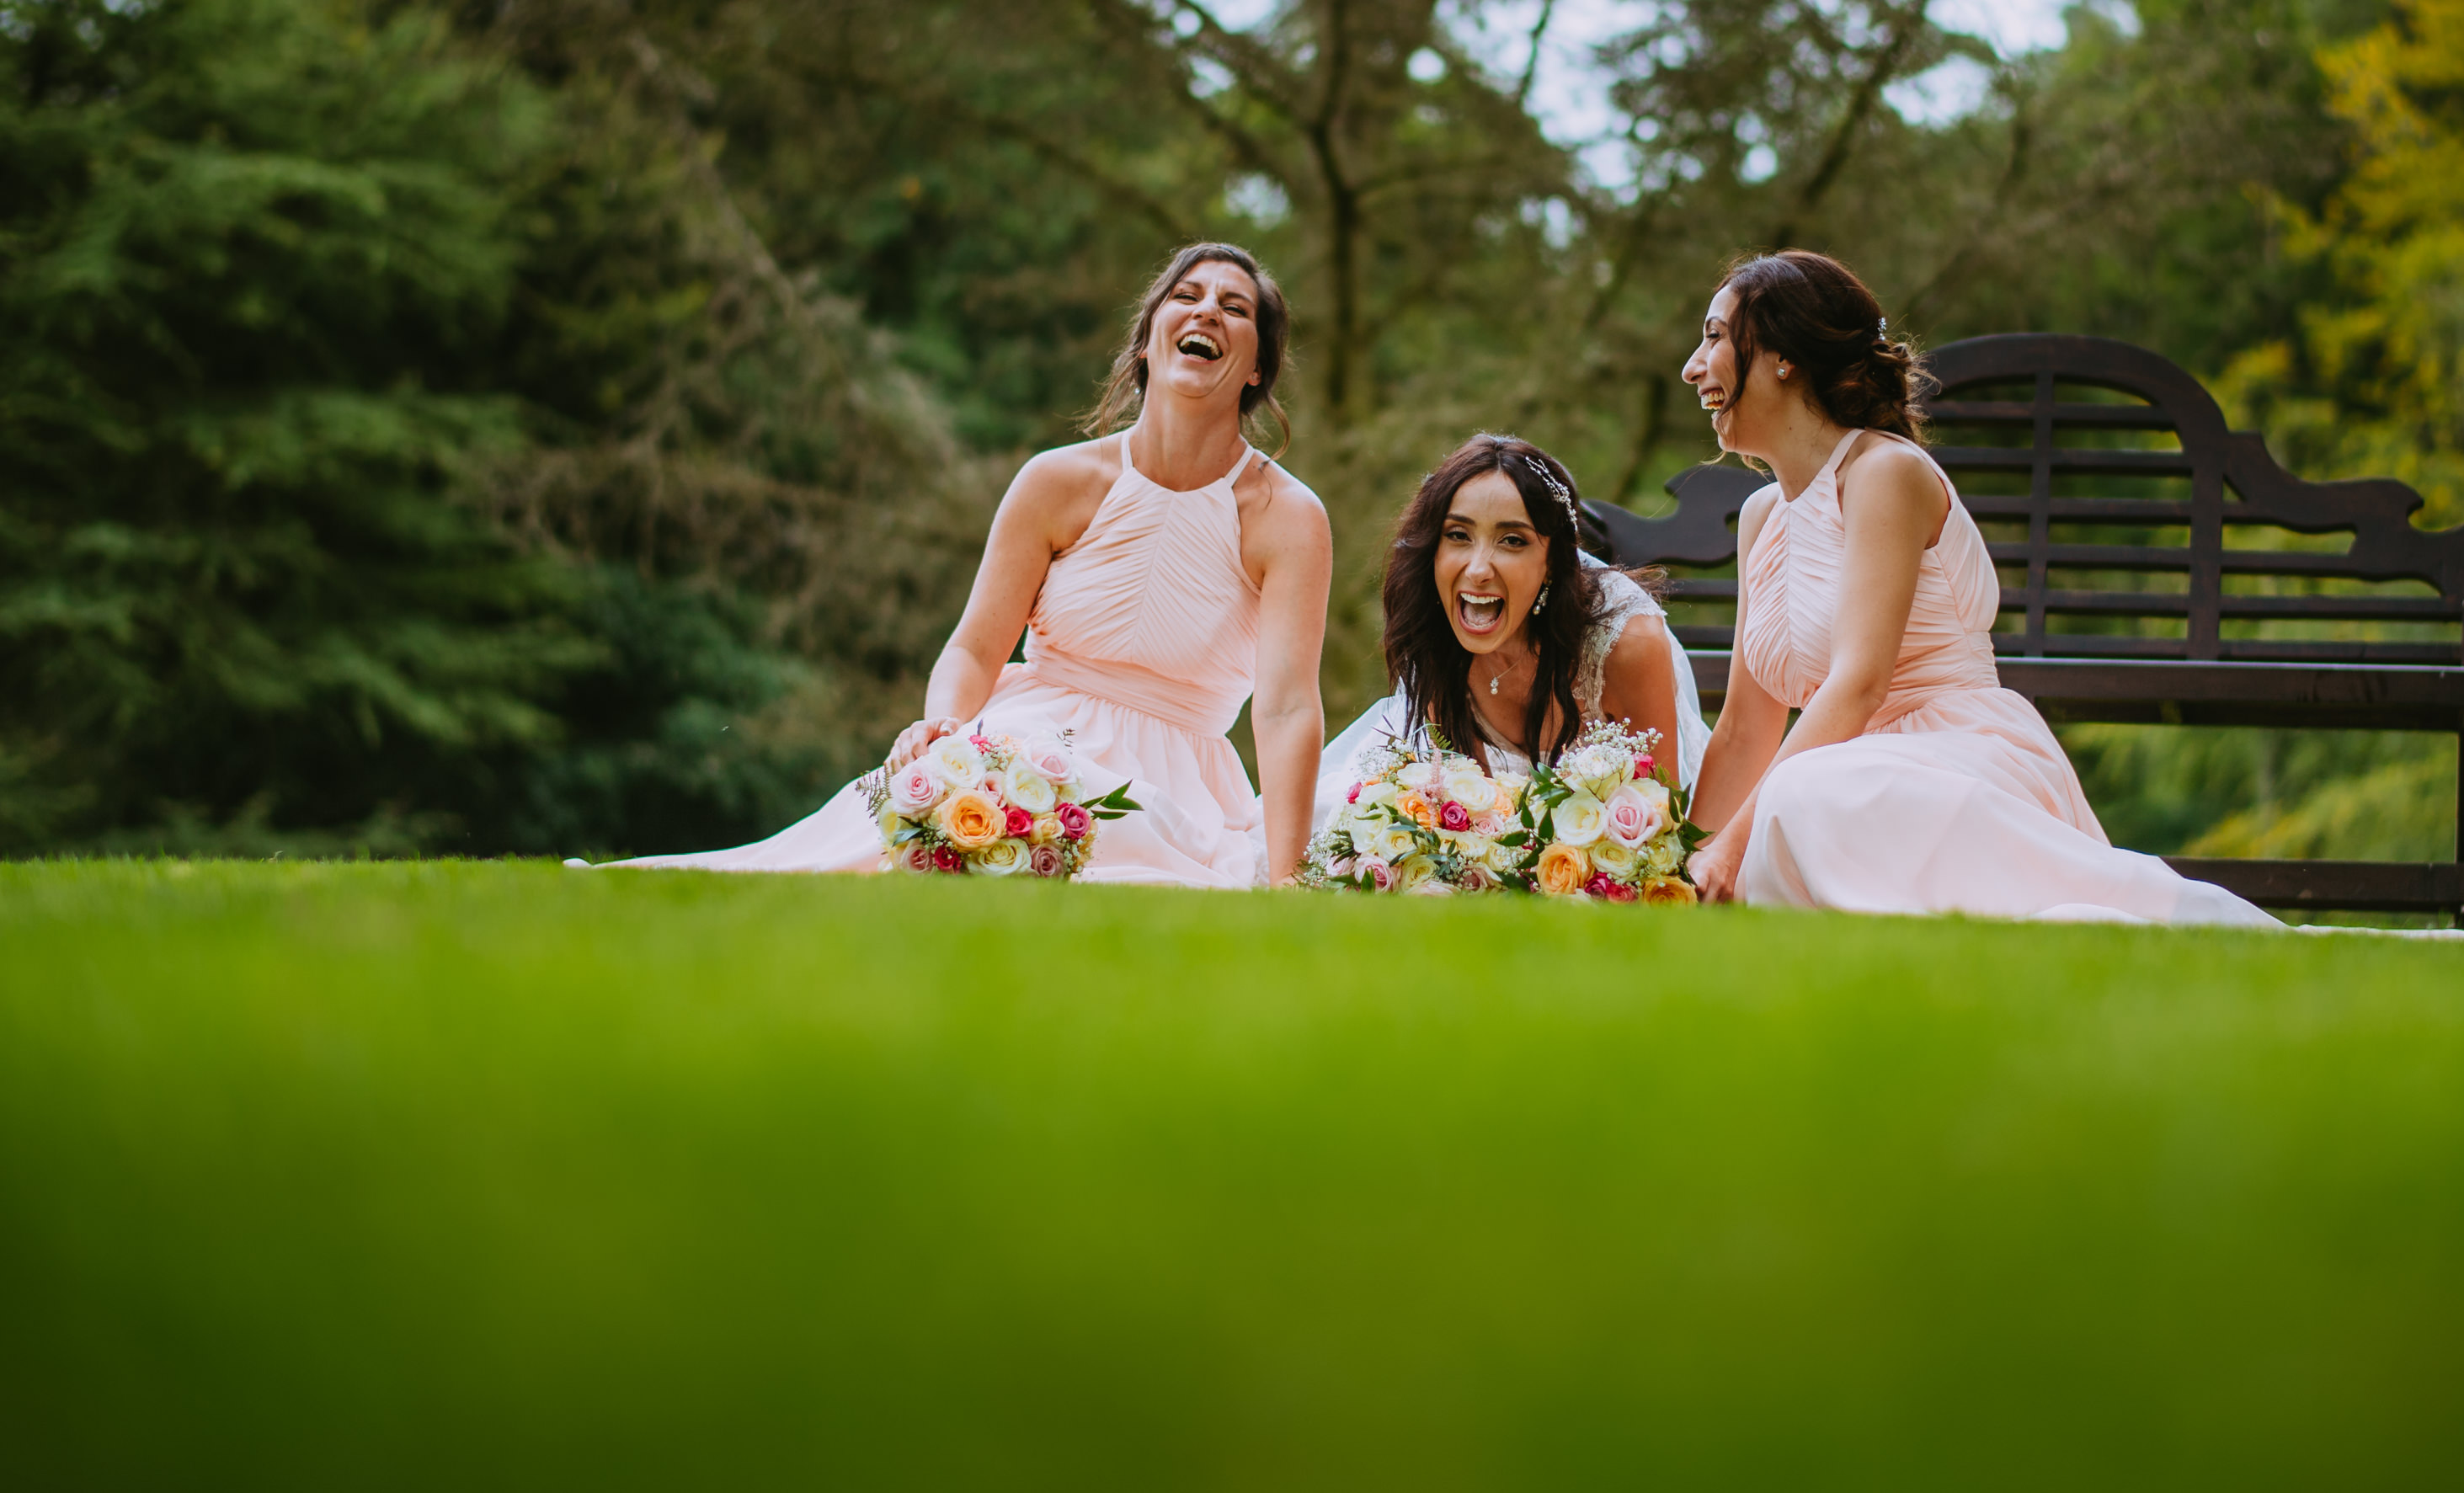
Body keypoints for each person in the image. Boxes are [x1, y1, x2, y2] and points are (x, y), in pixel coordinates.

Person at [600, 243, 1333, 886]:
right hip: (1033, 741)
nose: (1206, 312)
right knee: (854, 864)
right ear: (1148, 341)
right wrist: (944, 729)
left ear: (1258, 365)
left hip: (1189, 784)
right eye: (1186, 296)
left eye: (1234, 308)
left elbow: (1288, 705)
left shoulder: (1289, 517)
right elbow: (976, 647)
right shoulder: (1056, 481)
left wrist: (1289, 874)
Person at [1678, 252, 2275, 927]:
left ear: (1782, 355)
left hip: (1953, 757)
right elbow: (1740, 732)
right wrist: (1675, 872)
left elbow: (1860, 684)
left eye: (1714, 335)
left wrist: (1732, 849)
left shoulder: (1884, 473)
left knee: (1801, 794)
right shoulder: (1762, 519)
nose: (1692, 367)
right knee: (1798, 797)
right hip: (1843, 783)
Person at [1320, 436, 1707, 797]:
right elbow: (1460, 823)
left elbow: (1660, 819)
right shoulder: (1434, 628)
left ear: (1553, 562)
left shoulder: (1628, 642)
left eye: (1512, 541)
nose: (1477, 570)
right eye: (1458, 535)